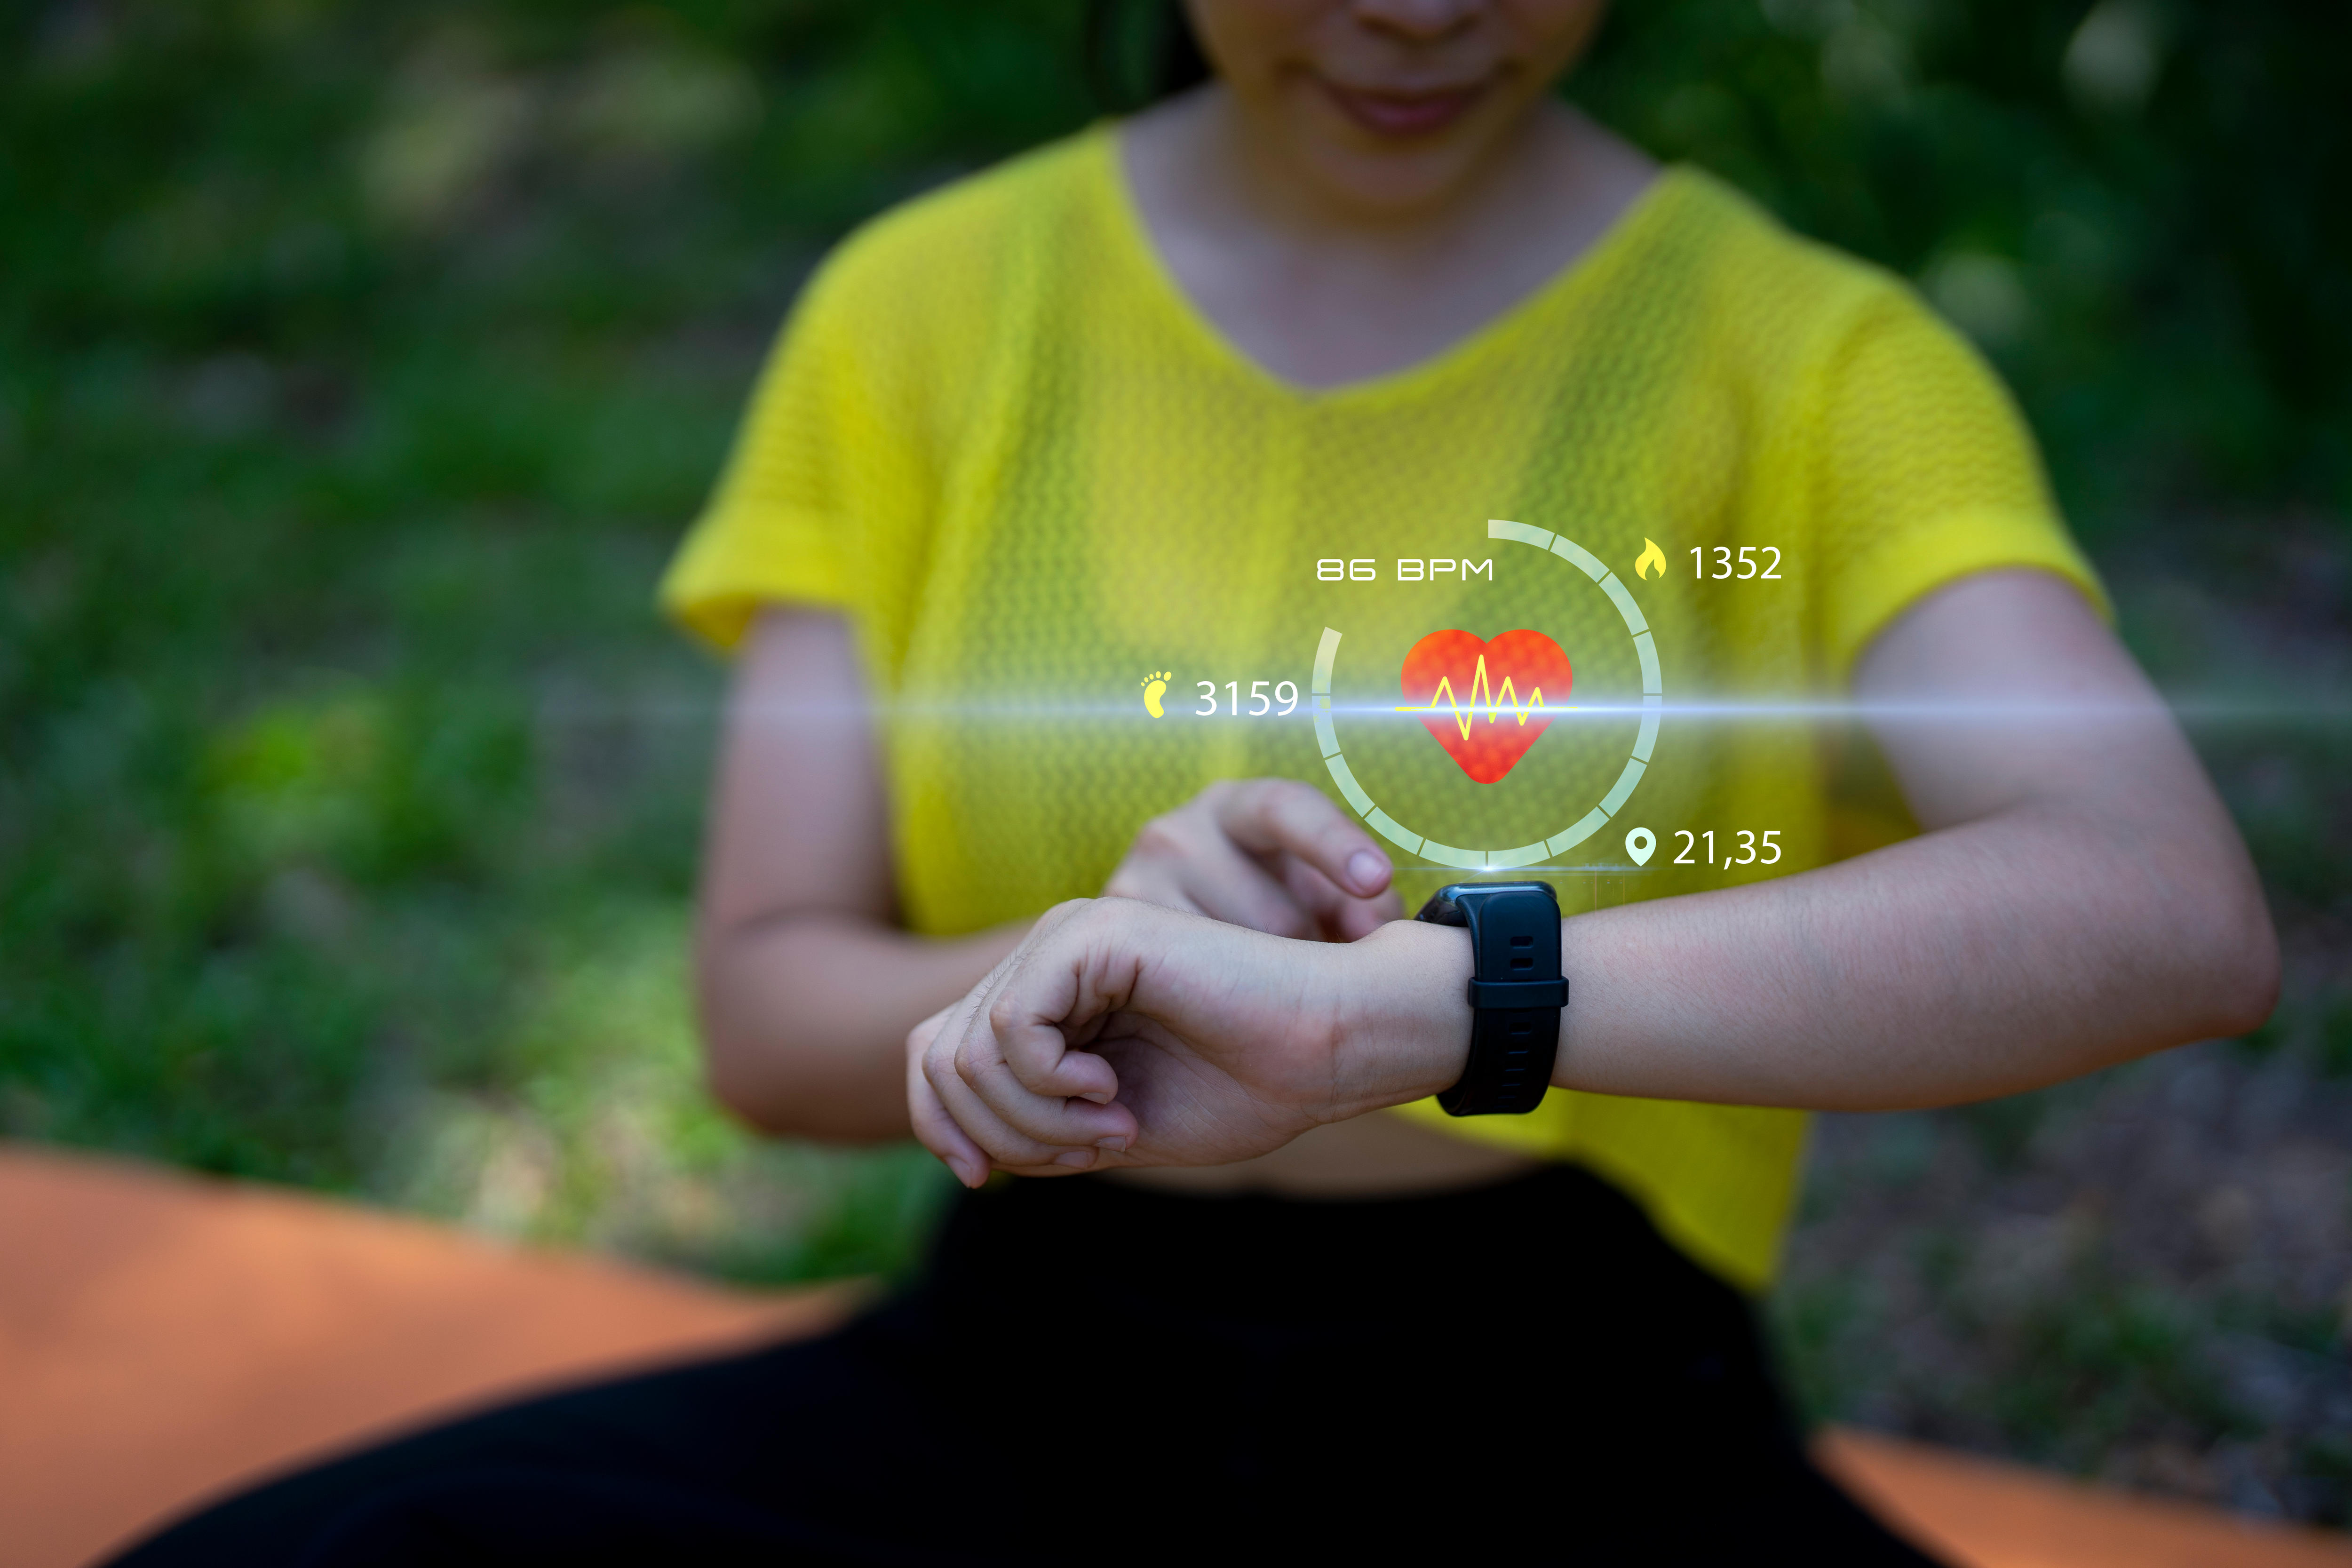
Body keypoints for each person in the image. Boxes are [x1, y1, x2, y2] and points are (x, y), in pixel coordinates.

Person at [111, 1, 2277, 1563]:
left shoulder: (1815, 364)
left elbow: (2157, 906)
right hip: (1008, 1386)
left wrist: (1410, 1009)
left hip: (1587, 1420)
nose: (1419, 12)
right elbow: (766, 1020)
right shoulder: (919, 311)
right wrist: (1086, 978)